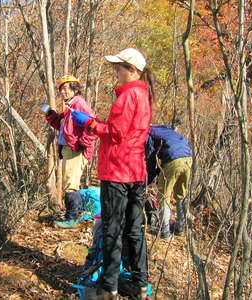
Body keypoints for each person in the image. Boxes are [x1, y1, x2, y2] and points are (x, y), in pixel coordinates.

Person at [72, 48, 155, 300]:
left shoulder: (129, 95)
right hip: (135, 171)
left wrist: (88, 122)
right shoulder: (144, 95)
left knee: (112, 229)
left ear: (131, 70)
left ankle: (107, 289)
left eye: (119, 67)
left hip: (118, 171)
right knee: (134, 229)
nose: (115, 72)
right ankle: (140, 285)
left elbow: (116, 132)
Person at [45, 75, 96, 229]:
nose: (63, 91)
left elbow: (92, 125)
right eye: (61, 89)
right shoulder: (69, 106)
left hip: (76, 150)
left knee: (70, 183)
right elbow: (63, 127)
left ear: (75, 88)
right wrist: (51, 115)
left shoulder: (79, 103)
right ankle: (74, 214)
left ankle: (72, 218)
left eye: (67, 88)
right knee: (69, 182)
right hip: (68, 149)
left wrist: (82, 144)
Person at [145, 125, 192, 240]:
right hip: (188, 157)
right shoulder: (165, 130)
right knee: (181, 194)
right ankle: (180, 228)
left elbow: (150, 157)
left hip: (172, 159)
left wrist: (149, 179)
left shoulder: (148, 133)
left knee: (163, 196)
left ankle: (165, 231)